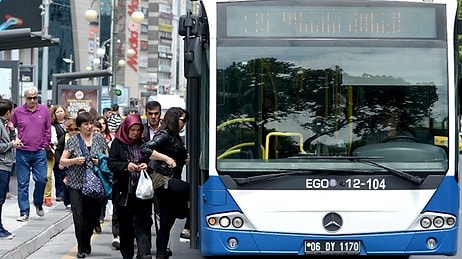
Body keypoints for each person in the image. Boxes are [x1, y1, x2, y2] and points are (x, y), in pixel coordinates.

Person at [141, 107, 190, 259]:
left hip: (171, 181)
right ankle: (188, 228)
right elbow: (145, 148)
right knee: (194, 191)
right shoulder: (164, 134)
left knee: (166, 223)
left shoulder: (176, 137)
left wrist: (184, 160)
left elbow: (177, 158)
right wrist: (165, 158)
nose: (184, 124)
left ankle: (161, 254)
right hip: (164, 181)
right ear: (175, 119)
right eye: (183, 120)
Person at [59, 112, 108, 258]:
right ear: (79, 127)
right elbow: (62, 161)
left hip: (95, 184)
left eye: (90, 123)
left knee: (92, 216)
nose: (89, 126)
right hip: (76, 184)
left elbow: (107, 156)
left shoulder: (99, 138)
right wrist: (74, 161)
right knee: (78, 216)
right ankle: (81, 246)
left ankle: (86, 239)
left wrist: (101, 161)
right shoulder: (73, 141)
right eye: (85, 124)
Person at [108, 114, 152, 259]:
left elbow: (152, 160)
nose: (135, 133)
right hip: (124, 193)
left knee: (143, 224)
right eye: (132, 130)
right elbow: (111, 164)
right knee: (126, 227)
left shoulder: (144, 142)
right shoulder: (117, 143)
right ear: (126, 128)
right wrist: (126, 166)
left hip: (142, 194)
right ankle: (127, 255)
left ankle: (143, 253)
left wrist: (147, 166)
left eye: (138, 130)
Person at [11, 86, 51, 222]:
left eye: (35, 98)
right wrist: (14, 139)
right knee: (23, 183)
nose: (32, 100)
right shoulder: (18, 111)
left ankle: (38, 202)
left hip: (39, 152)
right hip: (22, 152)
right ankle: (24, 211)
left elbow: (48, 129)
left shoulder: (44, 110)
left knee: (41, 179)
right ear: (25, 98)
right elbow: (11, 127)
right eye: (30, 98)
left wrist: (45, 144)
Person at [0, 99, 22, 239]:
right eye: (12, 110)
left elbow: (8, 141)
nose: (13, 113)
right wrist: (11, 144)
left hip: (6, 165)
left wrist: (13, 132)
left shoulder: (5, 125)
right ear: (8, 112)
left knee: (1, 199)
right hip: (1, 165)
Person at [55, 118, 78, 211]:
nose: (74, 132)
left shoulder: (81, 138)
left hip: (77, 165)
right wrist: (60, 162)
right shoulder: (64, 137)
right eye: (71, 130)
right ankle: (67, 201)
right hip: (66, 165)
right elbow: (58, 150)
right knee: (66, 183)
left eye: (76, 129)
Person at [50, 105, 70, 203]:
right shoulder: (53, 125)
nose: (60, 113)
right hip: (58, 151)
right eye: (57, 112)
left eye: (61, 111)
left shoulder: (69, 123)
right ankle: (59, 193)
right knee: (58, 173)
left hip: (69, 152)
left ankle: (66, 193)